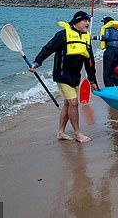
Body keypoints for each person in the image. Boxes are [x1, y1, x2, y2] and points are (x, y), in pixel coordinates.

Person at [30, 11, 96, 143]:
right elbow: (48, 48)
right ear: (77, 21)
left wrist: (92, 79)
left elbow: (90, 60)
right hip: (62, 74)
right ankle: (78, 133)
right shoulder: (63, 35)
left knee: (67, 103)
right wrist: (37, 62)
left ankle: (61, 132)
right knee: (73, 103)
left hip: (75, 75)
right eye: (85, 20)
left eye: (88, 21)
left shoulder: (86, 37)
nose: (88, 23)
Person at [93, 17, 118, 87]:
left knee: (106, 72)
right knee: (113, 70)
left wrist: (93, 37)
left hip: (111, 51)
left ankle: (109, 87)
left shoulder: (108, 29)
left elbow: (105, 37)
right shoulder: (117, 30)